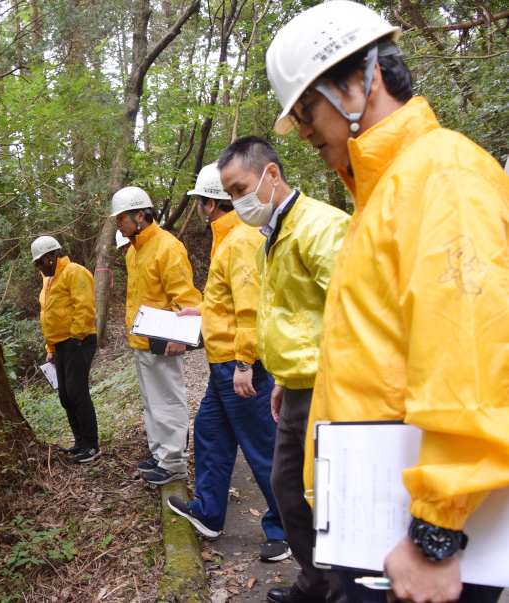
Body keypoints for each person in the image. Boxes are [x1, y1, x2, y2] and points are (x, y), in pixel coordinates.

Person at [266, 3, 509, 603]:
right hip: (374, 522)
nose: (301, 130)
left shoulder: (444, 178)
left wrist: (436, 531)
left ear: (361, 80)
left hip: (421, 535)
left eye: (304, 111)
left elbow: (472, 359)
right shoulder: (382, 194)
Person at [217, 138, 350, 603]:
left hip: (333, 388)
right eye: (230, 194)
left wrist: (325, 384)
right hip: (295, 387)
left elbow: (353, 315)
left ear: (271, 174)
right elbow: (286, 315)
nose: (237, 202)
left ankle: (340, 589)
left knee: (329, 500)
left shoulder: (322, 227)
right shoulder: (269, 240)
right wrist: (282, 378)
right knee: (287, 491)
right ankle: (313, 581)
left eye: (241, 188)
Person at [166, 163, 290, 563]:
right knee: (209, 433)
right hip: (223, 365)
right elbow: (226, 301)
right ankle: (209, 514)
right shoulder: (229, 237)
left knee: (262, 448)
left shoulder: (239, 240)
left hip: (240, 366)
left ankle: (286, 531)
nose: (199, 209)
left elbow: (251, 308)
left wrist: (243, 362)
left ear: (208, 203)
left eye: (200, 202)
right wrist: (198, 311)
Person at [112, 186, 203, 485]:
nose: (118, 225)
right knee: (151, 402)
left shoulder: (168, 247)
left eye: (122, 218)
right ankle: (161, 452)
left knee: (168, 401)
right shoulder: (134, 251)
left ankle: (174, 461)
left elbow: (185, 298)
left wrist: (181, 337)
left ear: (141, 215)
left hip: (164, 340)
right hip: (141, 339)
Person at [31, 236, 100, 464]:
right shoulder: (47, 281)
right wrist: (50, 347)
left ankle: (91, 445)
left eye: (41, 262)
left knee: (77, 392)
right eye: (37, 264)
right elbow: (47, 316)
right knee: (65, 395)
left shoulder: (74, 272)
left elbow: (85, 306)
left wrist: (77, 336)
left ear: (53, 256)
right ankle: (80, 441)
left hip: (78, 341)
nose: (40, 267)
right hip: (60, 344)